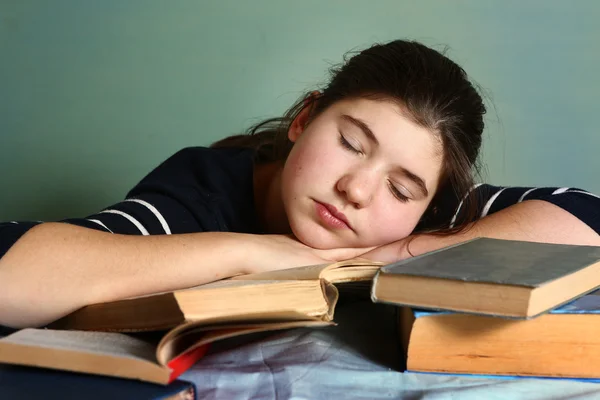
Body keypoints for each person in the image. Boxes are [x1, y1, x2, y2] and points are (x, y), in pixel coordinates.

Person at [0, 40, 598, 329]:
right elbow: (13, 275)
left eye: (401, 188)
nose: (358, 190)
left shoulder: (431, 214)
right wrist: (251, 252)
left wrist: (374, 258)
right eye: (350, 143)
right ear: (305, 117)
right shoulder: (205, 186)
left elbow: (586, 214)